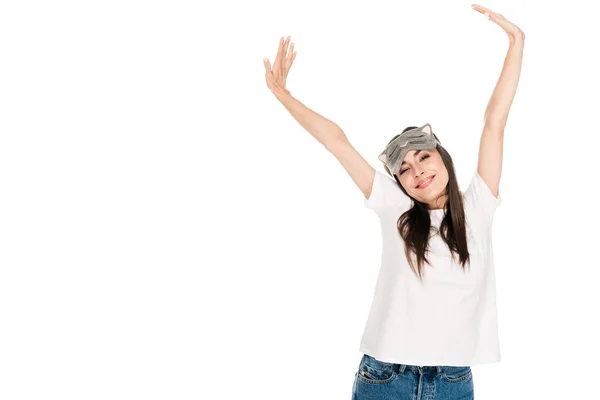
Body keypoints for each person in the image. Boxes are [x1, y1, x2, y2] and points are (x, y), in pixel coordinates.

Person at [263, 4, 524, 399]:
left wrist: (517, 42)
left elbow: (495, 124)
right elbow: (338, 142)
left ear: (443, 159)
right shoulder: (396, 210)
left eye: (423, 157)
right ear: (400, 184)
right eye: (403, 169)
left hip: (453, 380)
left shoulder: (478, 208)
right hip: (386, 378)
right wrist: (283, 95)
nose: (416, 170)